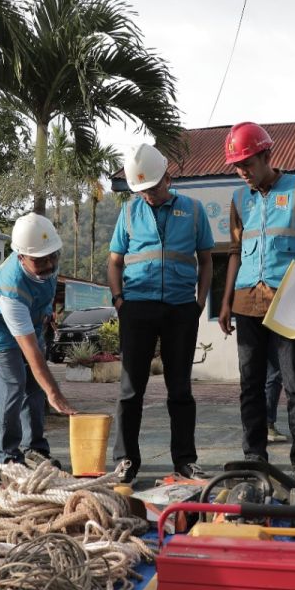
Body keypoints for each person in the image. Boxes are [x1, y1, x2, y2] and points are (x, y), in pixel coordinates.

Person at [218, 122, 295, 487]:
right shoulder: (238, 199)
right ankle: (254, 457)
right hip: (247, 301)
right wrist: (226, 300)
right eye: (237, 166)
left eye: (248, 163)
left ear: (267, 155)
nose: (242, 172)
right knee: (250, 385)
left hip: (288, 300)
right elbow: (234, 253)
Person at [108, 144, 214, 483]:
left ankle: (184, 460)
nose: (148, 195)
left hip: (181, 309)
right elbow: (114, 261)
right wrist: (119, 300)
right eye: (141, 190)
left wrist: (199, 304)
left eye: (153, 187)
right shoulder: (128, 213)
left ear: (167, 178)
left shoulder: (194, 211)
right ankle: (126, 460)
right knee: (130, 390)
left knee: (180, 389)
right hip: (137, 308)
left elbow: (207, 260)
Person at [0, 212, 77, 465]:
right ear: (21, 257)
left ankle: (35, 450)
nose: (49, 265)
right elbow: (31, 353)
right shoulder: (10, 288)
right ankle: (7, 456)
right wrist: (54, 392)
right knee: (14, 383)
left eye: (52, 257)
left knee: (34, 386)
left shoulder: (48, 257)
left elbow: (44, 291)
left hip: (32, 320)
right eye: (40, 261)